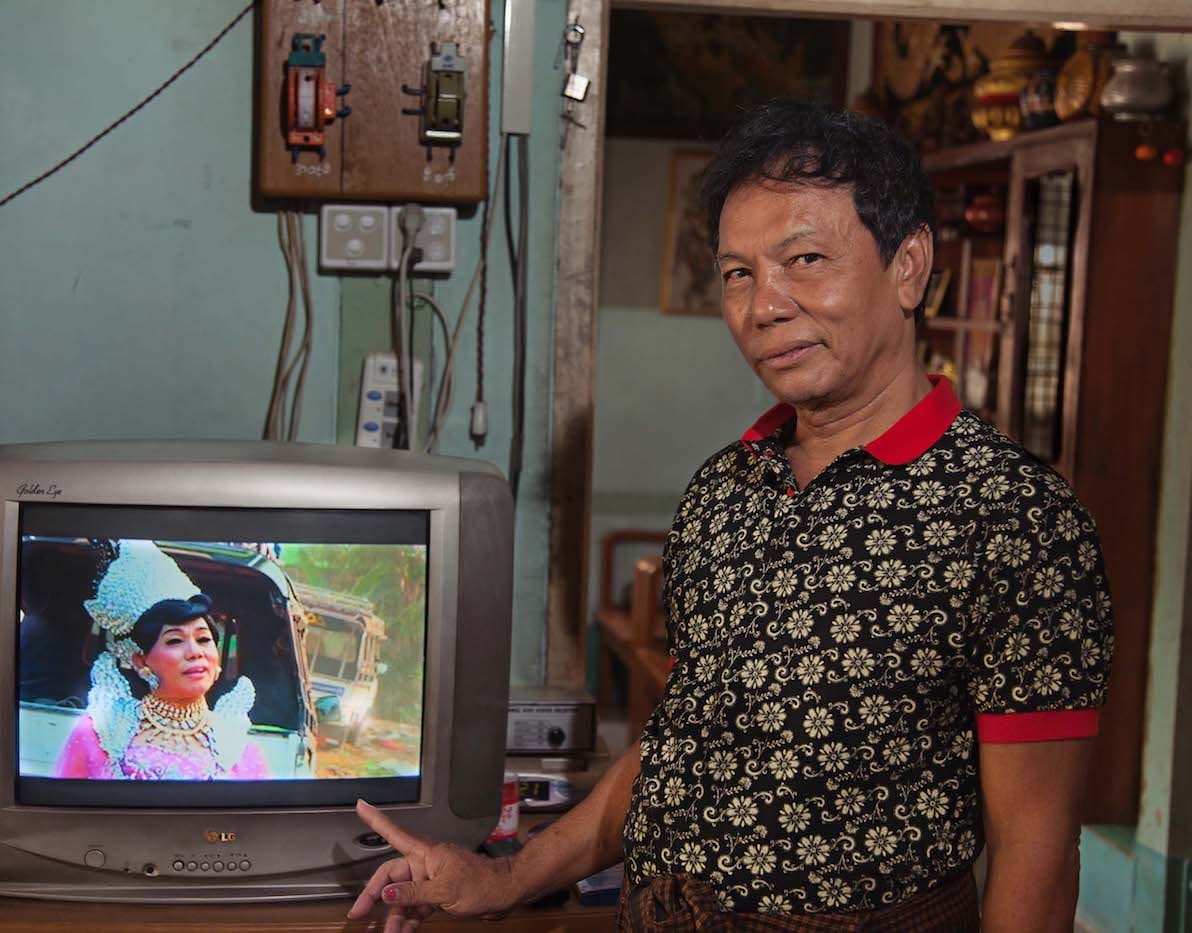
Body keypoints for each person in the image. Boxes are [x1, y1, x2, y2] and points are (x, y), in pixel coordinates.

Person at [348, 101, 1113, 931]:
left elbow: (1035, 849)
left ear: (910, 265)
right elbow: (681, 749)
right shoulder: (726, 490)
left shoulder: (1013, 516)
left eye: (806, 259)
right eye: (739, 272)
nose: (763, 306)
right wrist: (509, 875)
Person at [54, 539, 270, 780]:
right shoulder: (100, 735)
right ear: (141, 661)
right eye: (175, 641)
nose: (195, 652)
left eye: (203, 639)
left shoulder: (240, 749)